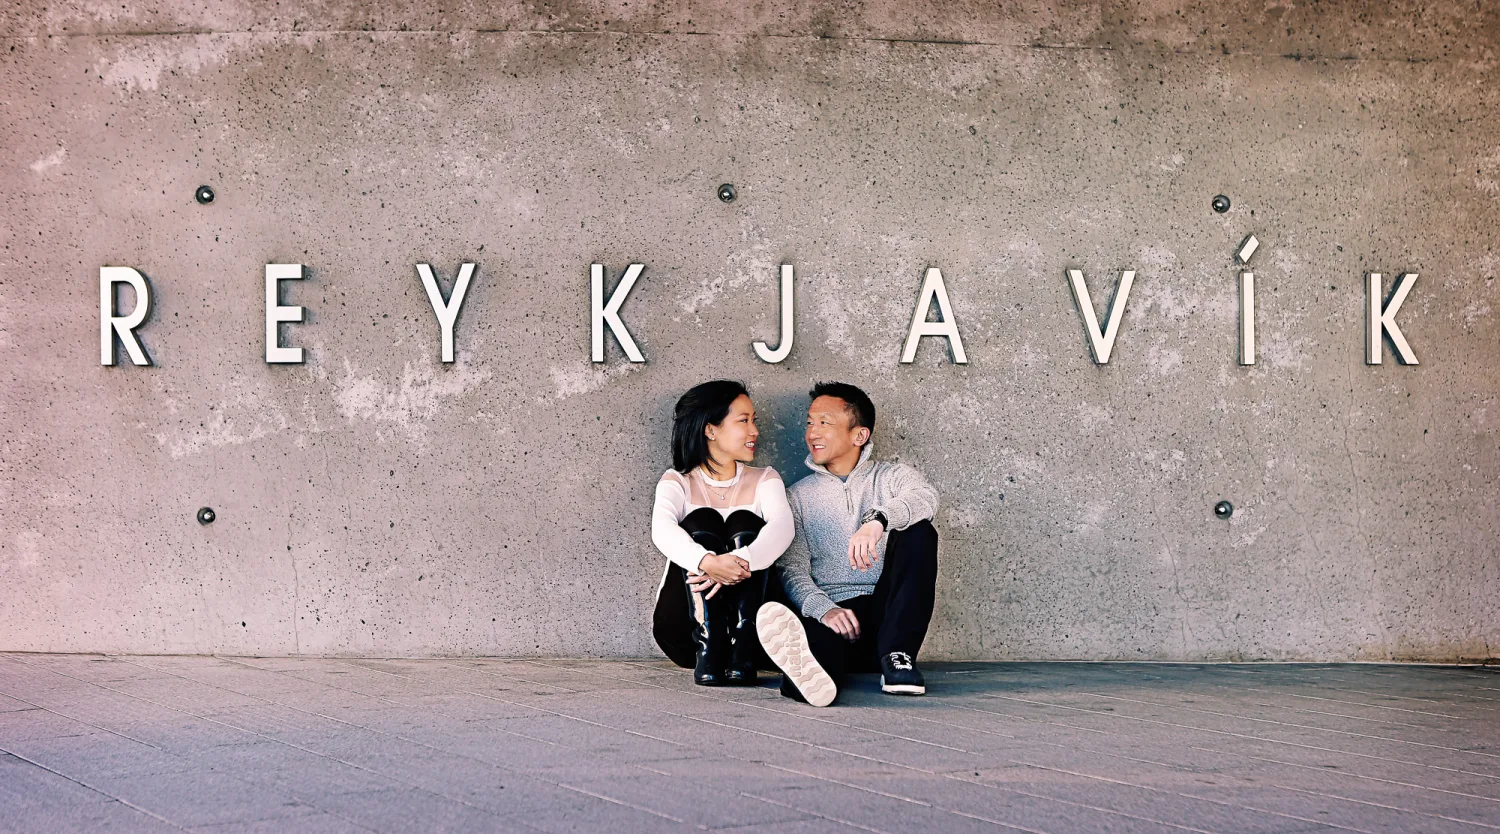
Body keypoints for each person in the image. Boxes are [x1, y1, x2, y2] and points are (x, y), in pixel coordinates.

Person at [755, 382, 940, 707]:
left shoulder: (891, 477)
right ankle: (806, 673)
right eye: (810, 423)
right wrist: (825, 610)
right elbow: (792, 570)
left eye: (824, 423)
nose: (813, 432)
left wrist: (878, 521)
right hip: (834, 613)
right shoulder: (797, 497)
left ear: (859, 435)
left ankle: (898, 658)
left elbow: (926, 499)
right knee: (819, 644)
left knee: (919, 532)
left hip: (888, 616)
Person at [651, 380, 793, 685]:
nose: (754, 430)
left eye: (754, 420)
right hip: (685, 634)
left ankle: (742, 645)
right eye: (744, 421)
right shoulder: (678, 481)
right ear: (710, 429)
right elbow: (661, 530)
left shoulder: (764, 479)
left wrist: (739, 561)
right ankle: (711, 640)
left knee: (744, 521)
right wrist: (709, 563)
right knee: (703, 519)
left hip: (758, 638)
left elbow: (783, 528)